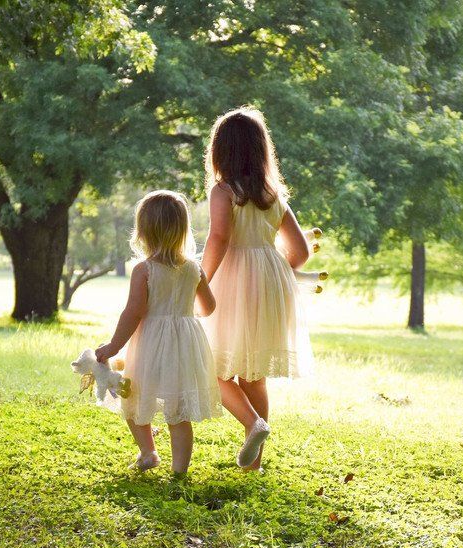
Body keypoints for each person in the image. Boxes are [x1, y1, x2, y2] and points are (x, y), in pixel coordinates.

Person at [201, 107, 314, 471]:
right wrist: (272, 267)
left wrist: (200, 279)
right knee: (253, 373)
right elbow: (300, 252)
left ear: (220, 151)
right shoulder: (273, 195)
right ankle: (255, 463)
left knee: (210, 364)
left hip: (231, 281)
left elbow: (219, 238)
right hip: (269, 285)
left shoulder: (223, 192)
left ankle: (253, 424)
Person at [95, 190, 222, 474]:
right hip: (185, 344)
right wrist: (183, 315)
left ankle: (148, 452)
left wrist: (113, 347)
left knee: (134, 397)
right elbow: (210, 307)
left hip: (151, 342)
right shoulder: (194, 269)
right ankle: (179, 471)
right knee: (178, 412)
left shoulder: (145, 270)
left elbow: (134, 312)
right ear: (183, 230)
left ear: (143, 232)